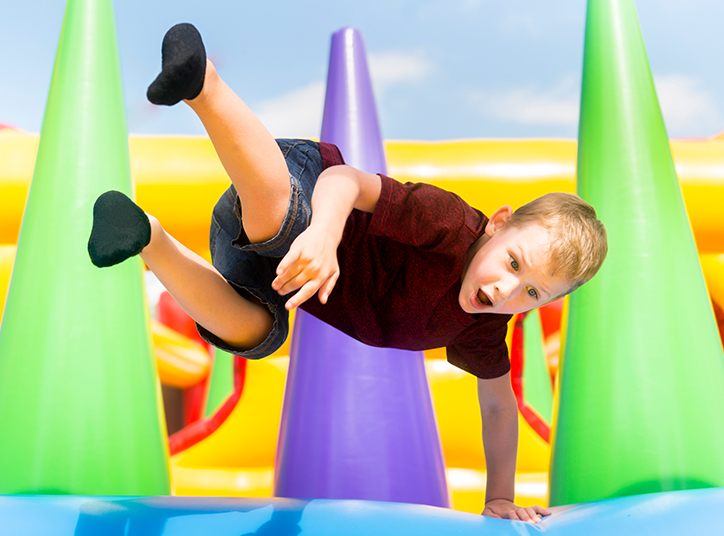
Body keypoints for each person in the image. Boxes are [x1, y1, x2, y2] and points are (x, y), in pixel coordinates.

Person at [88, 23, 607, 524]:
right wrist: (323, 235)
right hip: (296, 186)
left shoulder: (483, 329)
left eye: (532, 292)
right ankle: (204, 85)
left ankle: (148, 238)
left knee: (256, 334)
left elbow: (497, 406)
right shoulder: (447, 224)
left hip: (258, 251)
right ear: (498, 224)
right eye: (513, 263)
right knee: (290, 226)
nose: (506, 289)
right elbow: (344, 180)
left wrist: (500, 498)